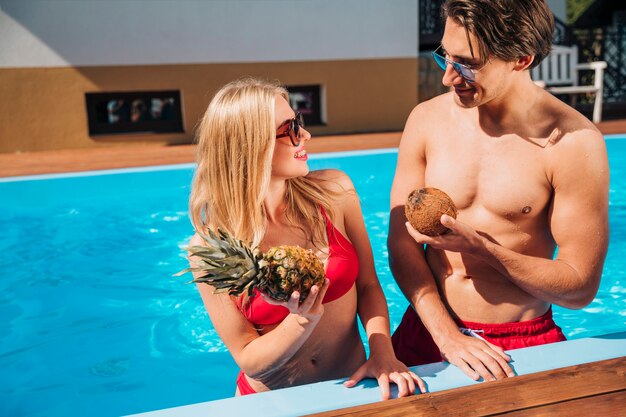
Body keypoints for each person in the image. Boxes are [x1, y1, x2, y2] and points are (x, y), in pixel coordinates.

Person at [389, 0, 609, 383]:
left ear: (521, 59)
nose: (448, 77)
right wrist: (446, 335)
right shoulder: (426, 120)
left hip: (518, 346)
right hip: (427, 328)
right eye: (446, 56)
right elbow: (401, 243)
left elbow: (580, 287)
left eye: (468, 63)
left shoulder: (573, 143)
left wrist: (483, 250)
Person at [187, 78, 424, 399]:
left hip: (355, 387)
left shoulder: (335, 193)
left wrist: (383, 351)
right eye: (290, 129)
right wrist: (301, 321)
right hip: (273, 402)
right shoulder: (213, 250)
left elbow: (368, 285)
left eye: (299, 123)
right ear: (250, 145)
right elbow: (247, 357)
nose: (305, 136)